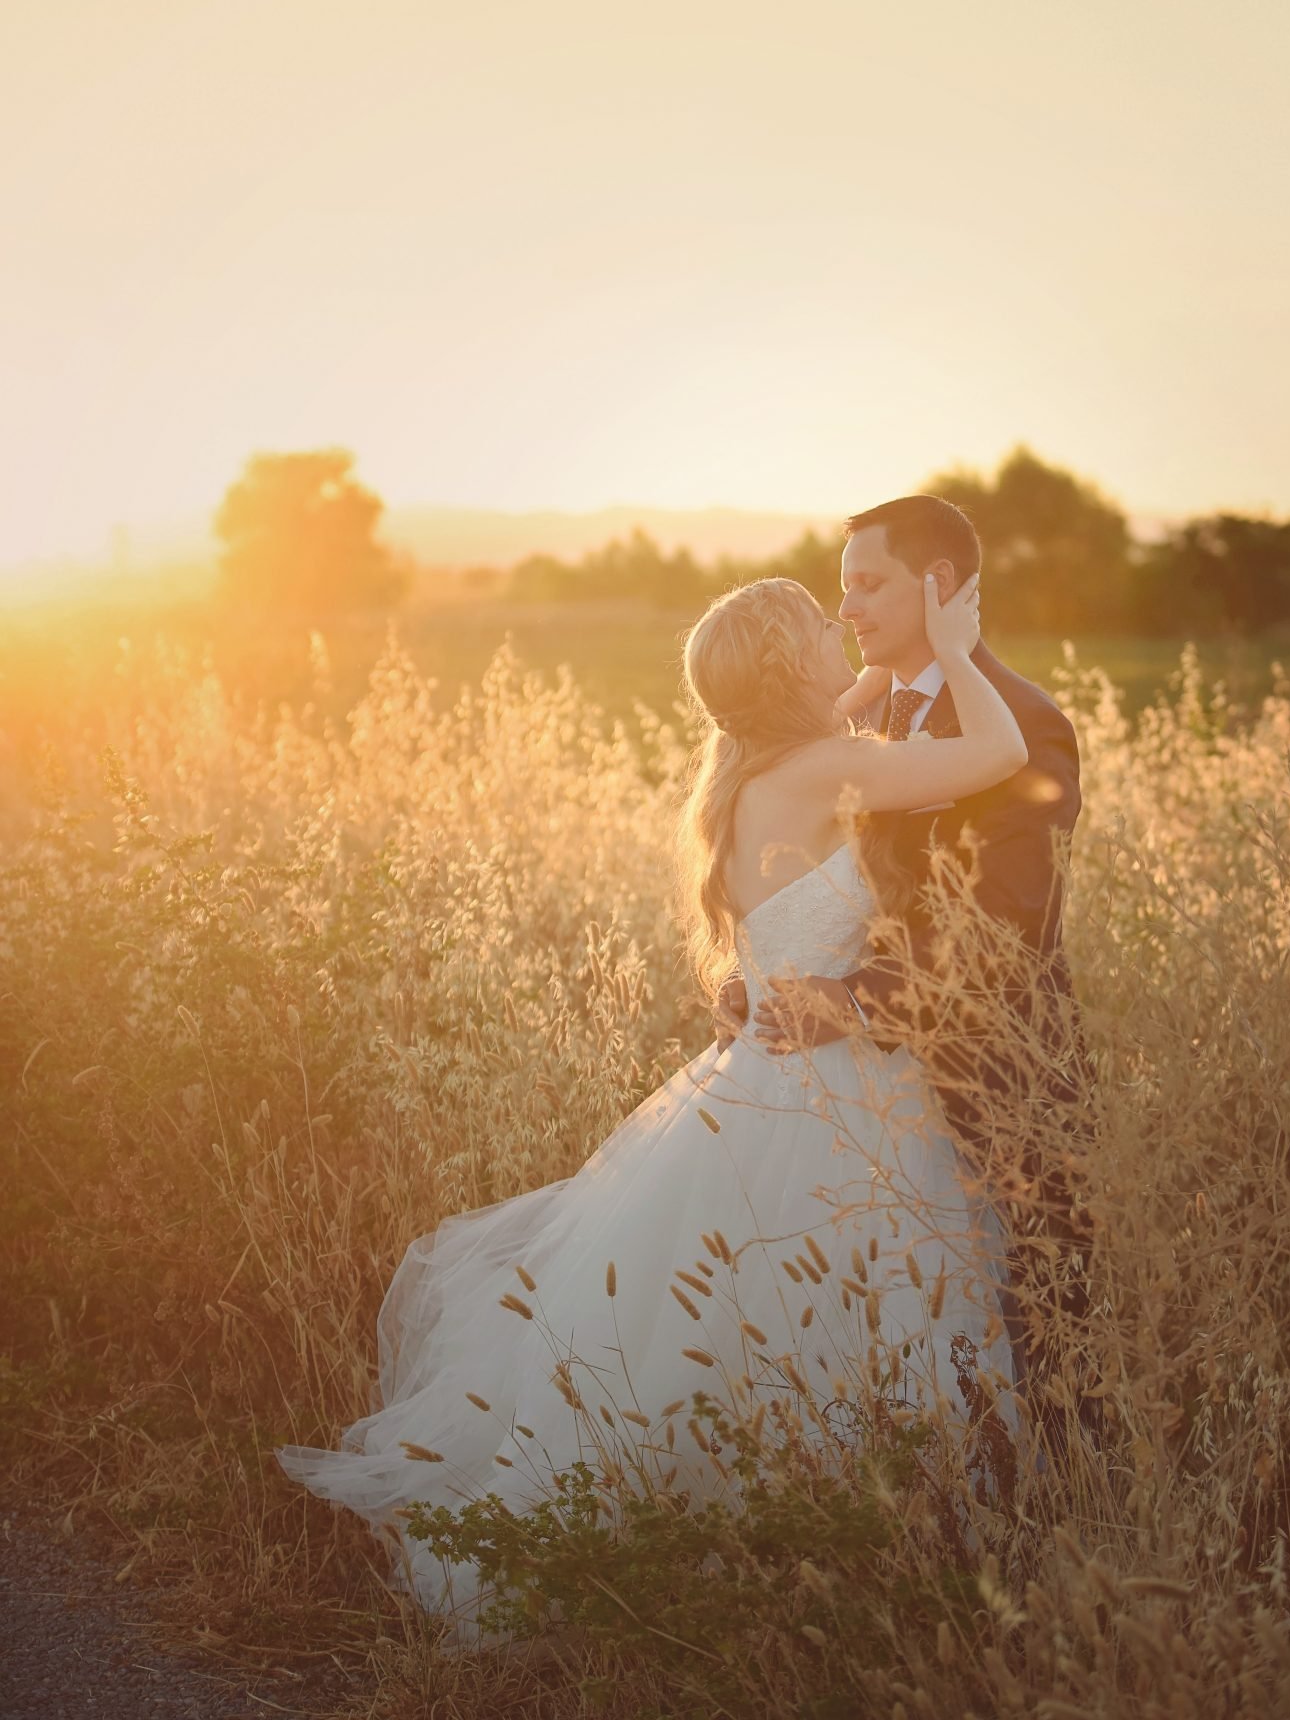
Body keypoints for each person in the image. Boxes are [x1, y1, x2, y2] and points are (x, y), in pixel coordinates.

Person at [278, 566, 1027, 1632]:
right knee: (854, 1313)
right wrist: (951, 645)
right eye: (822, 622)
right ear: (787, 666)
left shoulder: (747, 774)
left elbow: (827, 744)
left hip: (757, 1078)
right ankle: (856, 1558)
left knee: (729, 1328)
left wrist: (857, 680)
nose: (839, 626)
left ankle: (735, 1546)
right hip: (834, 1090)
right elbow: (997, 754)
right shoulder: (829, 767)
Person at [717, 494, 1089, 1404]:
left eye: (867, 584)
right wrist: (759, 971)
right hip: (864, 1104)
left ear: (939, 585)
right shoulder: (855, 723)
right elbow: (807, 868)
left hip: (995, 1082)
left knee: (1034, 1342)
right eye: (840, 589)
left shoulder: (1024, 723)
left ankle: (1060, 1521)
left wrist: (850, 1004)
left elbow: (1004, 930)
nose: (845, 609)